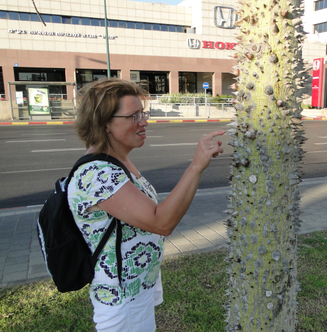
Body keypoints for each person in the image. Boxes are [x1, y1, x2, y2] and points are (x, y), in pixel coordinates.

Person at [67, 77, 224, 331]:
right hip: (121, 297)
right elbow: (161, 222)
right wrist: (196, 166)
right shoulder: (98, 173)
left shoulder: (118, 160)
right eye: (133, 116)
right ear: (105, 124)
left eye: (143, 113)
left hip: (137, 285)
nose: (144, 122)